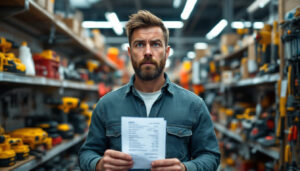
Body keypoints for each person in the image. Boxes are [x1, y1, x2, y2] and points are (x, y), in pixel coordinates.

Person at [79, 10, 220, 171]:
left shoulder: (194, 105)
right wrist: (98, 164)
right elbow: (87, 153)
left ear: (166, 53)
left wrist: (186, 168)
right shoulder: (106, 105)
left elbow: (211, 156)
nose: (147, 52)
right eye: (139, 44)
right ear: (130, 52)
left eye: (155, 44)